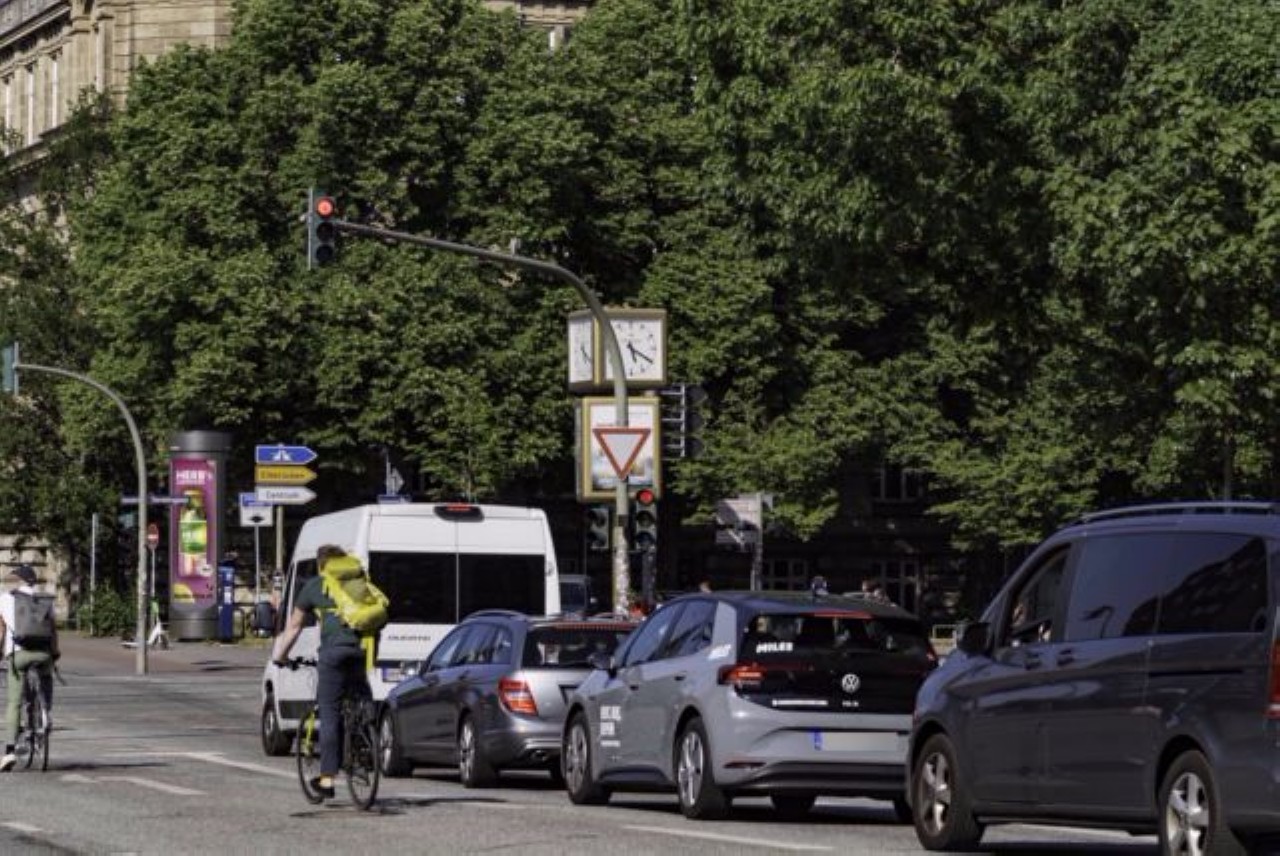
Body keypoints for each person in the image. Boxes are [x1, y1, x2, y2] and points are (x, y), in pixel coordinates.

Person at [271, 545, 371, 799]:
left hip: (332, 655)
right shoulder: (359, 583)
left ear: (321, 564)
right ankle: (364, 750)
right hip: (360, 651)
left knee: (329, 714)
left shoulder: (315, 586)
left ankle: (327, 779)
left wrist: (280, 656)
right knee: (360, 701)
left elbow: (294, 627)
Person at [0, 564, 59, 771]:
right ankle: (46, 713)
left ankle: (9, 751)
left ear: (19, 581)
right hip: (43, 654)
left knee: (14, 702)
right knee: (46, 678)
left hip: (18, 654)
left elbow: (1, 629)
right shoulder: (46, 601)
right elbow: (53, 630)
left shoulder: (6, 599)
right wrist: (54, 653)